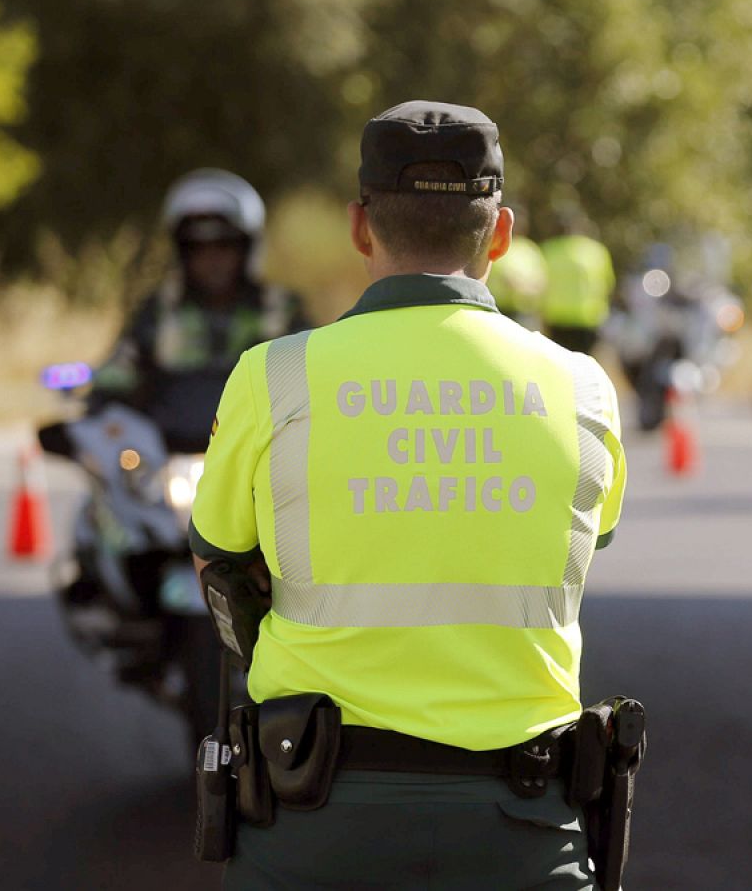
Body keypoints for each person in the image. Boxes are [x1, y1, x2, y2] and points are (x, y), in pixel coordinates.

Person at [189, 101, 628, 889]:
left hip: (314, 819)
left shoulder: (273, 375)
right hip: (522, 822)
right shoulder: (583, 387)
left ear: (361, 228)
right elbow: (589, 541)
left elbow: (217, 558)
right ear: (501, 235)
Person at [92, 168, 309, 449]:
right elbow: (118, 371)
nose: (212, 260)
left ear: (246, 248)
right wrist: (102, 404)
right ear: (182, 253)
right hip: (166, 458)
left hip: (260, 455)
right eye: (198, 248)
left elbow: (312, 377)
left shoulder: (280, 309)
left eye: (224, 245)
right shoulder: (158, 311)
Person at [540, 232, 616, 354]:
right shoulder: (596, 251)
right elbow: (608, 284)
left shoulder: (549, 249)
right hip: (587, 317)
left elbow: (541, 284)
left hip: (558, 317)